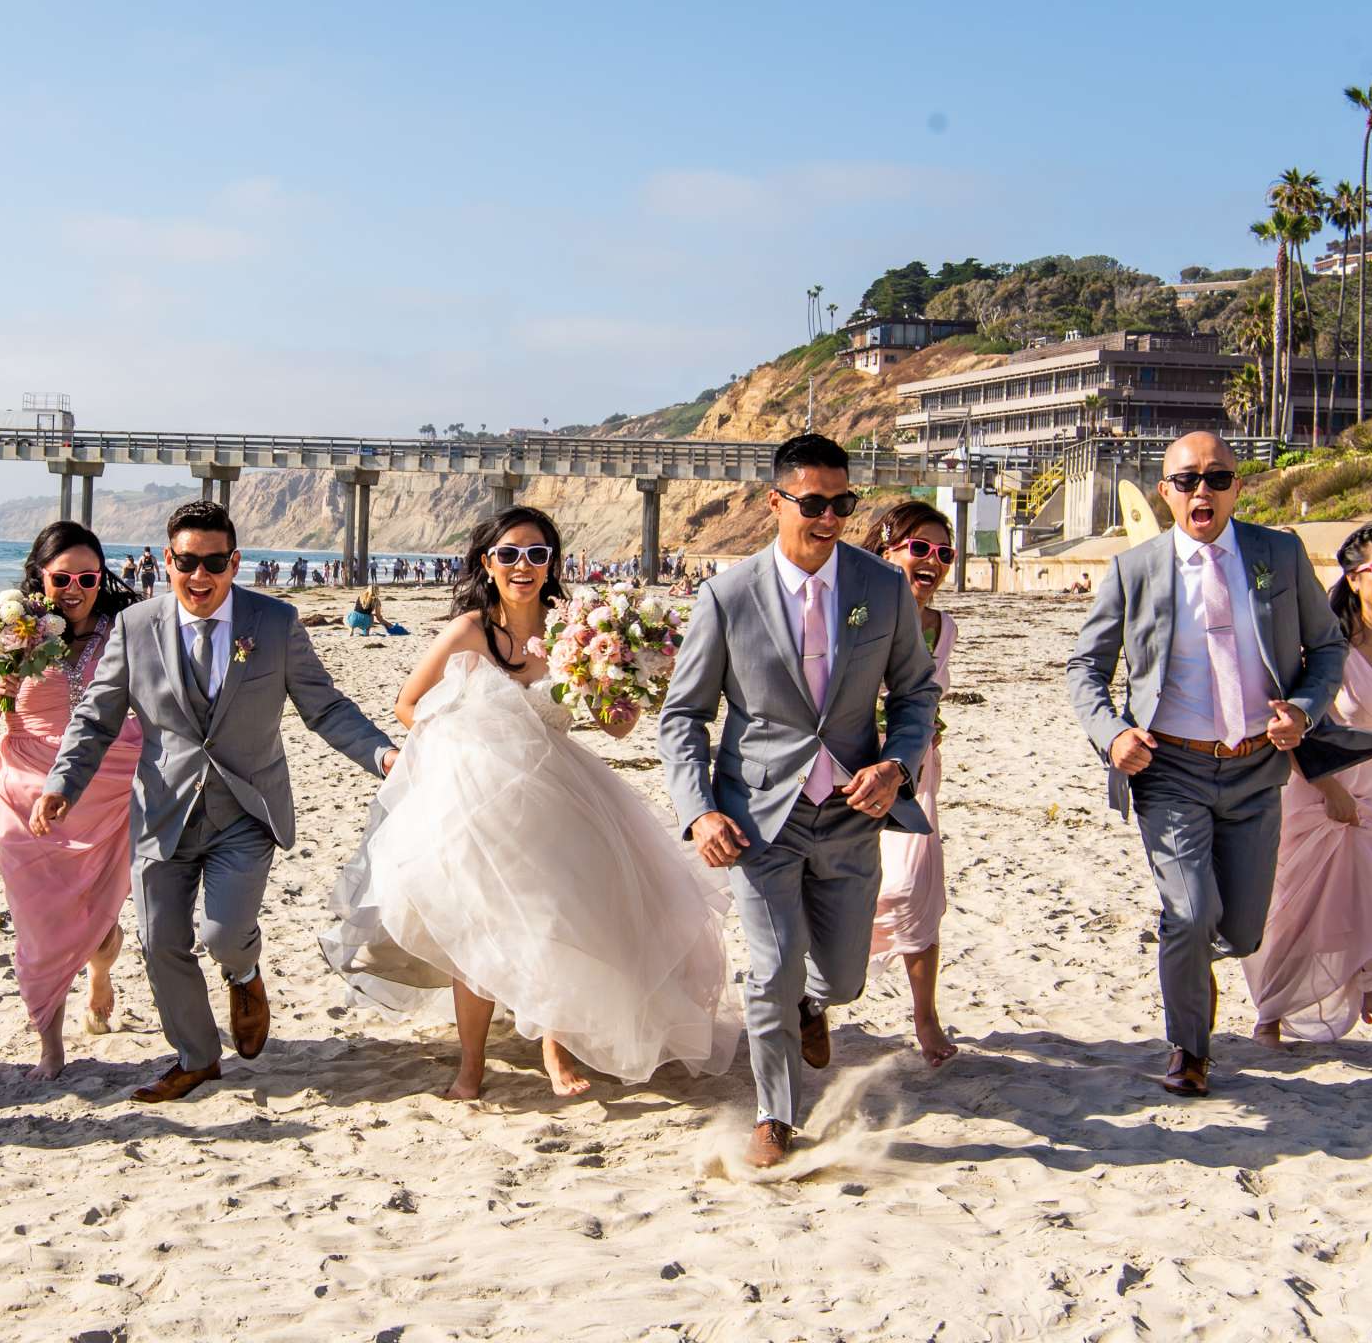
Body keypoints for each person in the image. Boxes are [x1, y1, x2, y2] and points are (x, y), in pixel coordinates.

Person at [324, 507, 737, 1100]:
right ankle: (471, 1067)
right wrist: (457, 745)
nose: (523, 566)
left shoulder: (575, 630)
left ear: (552, 565)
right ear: (488, 563)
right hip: (477, 800)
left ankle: (554, 1044)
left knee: (557, 918)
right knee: (479, 926)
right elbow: (408, 706)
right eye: (510, 554)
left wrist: (633, 680)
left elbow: (616, 729)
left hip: (558, 796)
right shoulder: (468, 630)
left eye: (537, 555)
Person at [35, 501, 399, 1103]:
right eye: (185, 562)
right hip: (161, 813)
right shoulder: (135, 627)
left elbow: (325, 708)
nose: (198, 577)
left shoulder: (276, 623)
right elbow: (95, 719)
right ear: (167, 560)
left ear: (233, 563)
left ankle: (246, 972)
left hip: (246, 810)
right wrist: (61, 784)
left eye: (212, 563)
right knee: (160, 942)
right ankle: (196, 1058)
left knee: (223, 932)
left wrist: (382, 756)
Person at [658, 435, 940, 1170]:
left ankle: (816, 1004)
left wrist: (896, 766)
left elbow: (916, 695)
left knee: (841, 975)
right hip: (757, 815)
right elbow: (683, 715)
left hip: (854, 812)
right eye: (813, 504)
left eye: (842, 504)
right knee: (772, 966)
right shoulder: (727, 595)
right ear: (775, 502)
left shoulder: (881, 589)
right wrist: (699, 810)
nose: (829, 519)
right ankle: (775, 1113)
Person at [1066, 431, 1345, 1097]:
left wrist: (1303, 709)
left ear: (1237, 487)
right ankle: (1189, 1048)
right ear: (1165, 492)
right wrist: (1111, 736)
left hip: (1257, 769)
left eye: (1217, 479)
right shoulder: (1134, 570)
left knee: (1241, 928)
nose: (1202, 492)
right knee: (1190, 914)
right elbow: (1086, 668)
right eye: (1187, 480)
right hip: (1170, 770)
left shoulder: (1278, 552)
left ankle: (1188, 958)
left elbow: (1327, 649)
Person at [1243, 524, 1372, 1044]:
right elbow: (1297, 721)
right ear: (1354, 579)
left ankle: (1364, 974)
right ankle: (1272, 1014)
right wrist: (1331, 791)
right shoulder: (1327, 649)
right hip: (1321, 782)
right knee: (1306, 907)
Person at [0, 523, 142, 1079]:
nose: (75, 588)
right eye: (62, 577)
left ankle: (100, 972)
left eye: (88, 577)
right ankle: (50, 1041)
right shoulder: (11, 632)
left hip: (106, 784)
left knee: (100, 919)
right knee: (40, 922)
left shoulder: (125, 631)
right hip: (21, 790)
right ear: (40, 577)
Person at [860, 501, 961, 1068]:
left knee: (917, 888)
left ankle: (926, 1017)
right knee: (846, 888)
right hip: (852, 769)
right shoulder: (859, 613)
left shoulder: (944, 628)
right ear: (887, 549)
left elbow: (930, 698)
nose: (934, 561)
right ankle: (813, 997)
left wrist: (925, 734)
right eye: (919, 547)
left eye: (944, 552)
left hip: (916, 775)